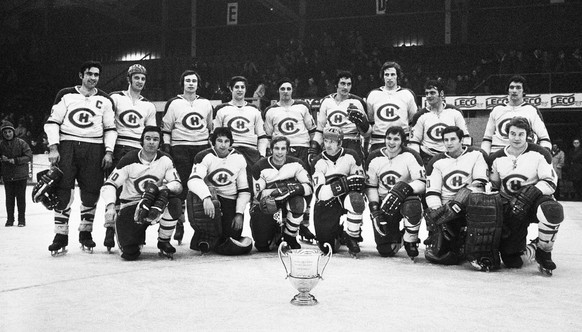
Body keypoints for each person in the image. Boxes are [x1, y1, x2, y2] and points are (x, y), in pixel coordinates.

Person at [44, 61, 117, 255]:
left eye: (96, 75)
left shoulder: (105, 99)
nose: (93, 78)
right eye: (89, 74)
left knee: (91, 192)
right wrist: (53, 147)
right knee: (63, 191)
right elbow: (52, 122)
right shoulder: (66, 95)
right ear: (81, 75)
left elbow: (110, 128)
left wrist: (109, 151)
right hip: (68, 145)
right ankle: (60, 235)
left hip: (95, 147)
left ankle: (86, 233)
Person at [489, 117, 563, 275]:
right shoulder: (496, 158)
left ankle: (544, 252)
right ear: (506, 134)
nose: (516, 138)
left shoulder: (539, 153)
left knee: (552, 209)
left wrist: (529, 194)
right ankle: (534, 248)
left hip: (534, 203)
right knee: (512, 262)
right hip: (511, 209)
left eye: (520, 134)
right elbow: (494, 186)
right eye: (513, 133)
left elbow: (550, 183)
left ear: (527, 135)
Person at [101, 126, 182, 260]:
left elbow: (177, 184)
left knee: (174, 203)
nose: (151, 142)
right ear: (142, 141)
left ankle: (164, 241)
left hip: (154, 203)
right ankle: (133, 237)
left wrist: (160, 189)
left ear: (160, 142)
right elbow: (110, 184)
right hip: (131, 205)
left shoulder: (165, 159)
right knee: (130, 254)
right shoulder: (129, 159)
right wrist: (110, 206)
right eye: (148, 138)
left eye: (155, 139)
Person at [423, 126, 496, 269]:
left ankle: (478, 247)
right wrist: (438, 213)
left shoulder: (476, 154)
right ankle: (449, 241)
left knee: (481, 202)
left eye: (453, 139)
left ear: (461, 140)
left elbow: (480, 183)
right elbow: (432, 192)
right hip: (446, 210)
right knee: (445, 255)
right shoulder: (437, 161)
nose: (449, 143)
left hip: (469, 205)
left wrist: (459, 200)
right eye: (446, 140)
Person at [105, 64, 157, 250]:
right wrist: (108, 150)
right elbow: (108, 125)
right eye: (137, 78)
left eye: (143, 79)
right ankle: (110, 230)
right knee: (115, 190)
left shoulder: (148, 105)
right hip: (119, 147)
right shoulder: (115, 98)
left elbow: (151, 132)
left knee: (136, 193)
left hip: (137, 150)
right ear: (129, 79)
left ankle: (136, 234)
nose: (140, 82)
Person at [161, 70, 213, 245]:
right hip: (180, 148)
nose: (191, 83)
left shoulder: (205, 103)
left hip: (201, 148)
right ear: (182, 83)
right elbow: (166, 128)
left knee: (200, 185)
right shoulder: (174, 103)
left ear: (198, 84)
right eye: (187, 81)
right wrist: (167, 148)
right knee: (181, 186)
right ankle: (179, 222)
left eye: (194, 81)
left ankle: (203, 227)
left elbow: (210, 127)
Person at [263, 77, 317, 242]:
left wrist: (312, 150)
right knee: (284, 187)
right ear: (278, 91)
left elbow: (313, 129)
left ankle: (303, 225)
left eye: (288, 88)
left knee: (305, 187)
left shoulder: (302, 107)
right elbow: (267, 135)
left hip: (301, 149)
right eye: (282, 89)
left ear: (292, 90)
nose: (285, 92)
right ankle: (284, 225)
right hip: (282, 152)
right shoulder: (271, 111)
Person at [187, 127, 252, 255]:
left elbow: (244, 189)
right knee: (196, 195)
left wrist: (239, 213)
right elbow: (193, 180)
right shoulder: (204, 156)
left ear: (230, 142)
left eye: (226, 141)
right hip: (212, 198)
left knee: (232, 236)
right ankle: (204, 235)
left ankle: (214, 240)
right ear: (213, 142)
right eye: (219, 141)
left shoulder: (238, 158)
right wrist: (206, 197)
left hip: (230, 199)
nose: (223, 145)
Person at [365, 126, 425, 259]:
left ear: (402, 141)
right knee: (386, 250)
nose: (391, 142)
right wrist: (375, 209)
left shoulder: (411, 155)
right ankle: (400, 237)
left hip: (404, 201)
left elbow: (422, 183)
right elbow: (371, 186)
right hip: (384, 203)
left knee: (413, 204)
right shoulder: (374, 156)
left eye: (396, 139)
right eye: (389, 138)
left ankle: (411, 238)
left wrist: (404, 190)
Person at [250, 136, 313, 251]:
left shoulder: (297, 163)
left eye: (283, 149)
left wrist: (288, 190)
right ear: (271, 149)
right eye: (276, 148)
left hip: (288, 202)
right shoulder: (259, 166)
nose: (279, 152)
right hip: (269, 205)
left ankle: (290, 235)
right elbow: (258, 195)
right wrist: (280, 191)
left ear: (287, 150)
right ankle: (275, 233)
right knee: (262, 246)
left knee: (299, 201)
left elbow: (309, 187)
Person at [311, 127, 366, 256]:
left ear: (340, 143)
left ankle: (352, 236)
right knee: (327, 247)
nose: (328, 145)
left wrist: (348, 186)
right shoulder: (317, 161)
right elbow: (320, 194)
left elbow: (359, 182)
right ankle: (339, 232)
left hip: (346, 197)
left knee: (356, 200)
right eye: (326, 141)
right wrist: (344, 183)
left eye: (332, 141)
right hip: (327, 202)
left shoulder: (351, 155)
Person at [481, 75, 551, 154]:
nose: (514, 90)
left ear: (524, 91)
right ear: (508, 90)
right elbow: (487, 139)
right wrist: (485, 158)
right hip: (498, 155)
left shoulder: (531, 110)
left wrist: (544, 156)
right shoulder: (497, 110)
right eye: (511, 87)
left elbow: (544, 139)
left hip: (524, 156)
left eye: (518, 87)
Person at [409, 80, 471, 165]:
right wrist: (418, 163)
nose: (428, 96)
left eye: (432, 93)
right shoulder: (420, 115)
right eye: (426, 93)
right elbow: (414, 142)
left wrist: (464, 158)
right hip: (428, 159)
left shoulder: (455, 112)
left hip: (452, 158)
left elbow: (466, 137)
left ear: (441, 93)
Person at [313, 70, 370, 162]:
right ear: (336, 85)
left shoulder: (358, 102)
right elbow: (320, 129)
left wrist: (363, 124)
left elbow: (367, 133)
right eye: (343, 83)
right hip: (331, 142)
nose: (345, 87)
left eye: (349, 84)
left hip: (351, 142)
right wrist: (314, 147)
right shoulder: (326, 101)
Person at [214, 76, 268, 165]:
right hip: (229, 150)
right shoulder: (221, 109)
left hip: (250, 152)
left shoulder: (254, 109)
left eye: (242, 87)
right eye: (236, 87)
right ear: (231, 89)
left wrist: (261, 155)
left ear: (246, 89)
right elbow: (214, 136)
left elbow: (262, 136)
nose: (240, 90)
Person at [366, 62, 418, 152]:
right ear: (383, 77)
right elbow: (371, 120)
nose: (389, 78)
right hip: (378, 141)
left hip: (401, 141)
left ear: (398, 76)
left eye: (392, 74)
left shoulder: (407, 94)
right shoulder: (373, 95)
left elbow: (412, 120)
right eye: (386, 74)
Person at [1, 121, 32, 227]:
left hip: (20, 175)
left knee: (20, 198)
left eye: (9, 131)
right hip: (7, 176)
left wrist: (16, 160)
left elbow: (28, 156)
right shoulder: (1, 145)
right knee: (9, 199)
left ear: (13, 132)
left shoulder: (21, 142)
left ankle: (21, 220)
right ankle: (10, 219)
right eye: (5, 132)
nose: (7, 134)